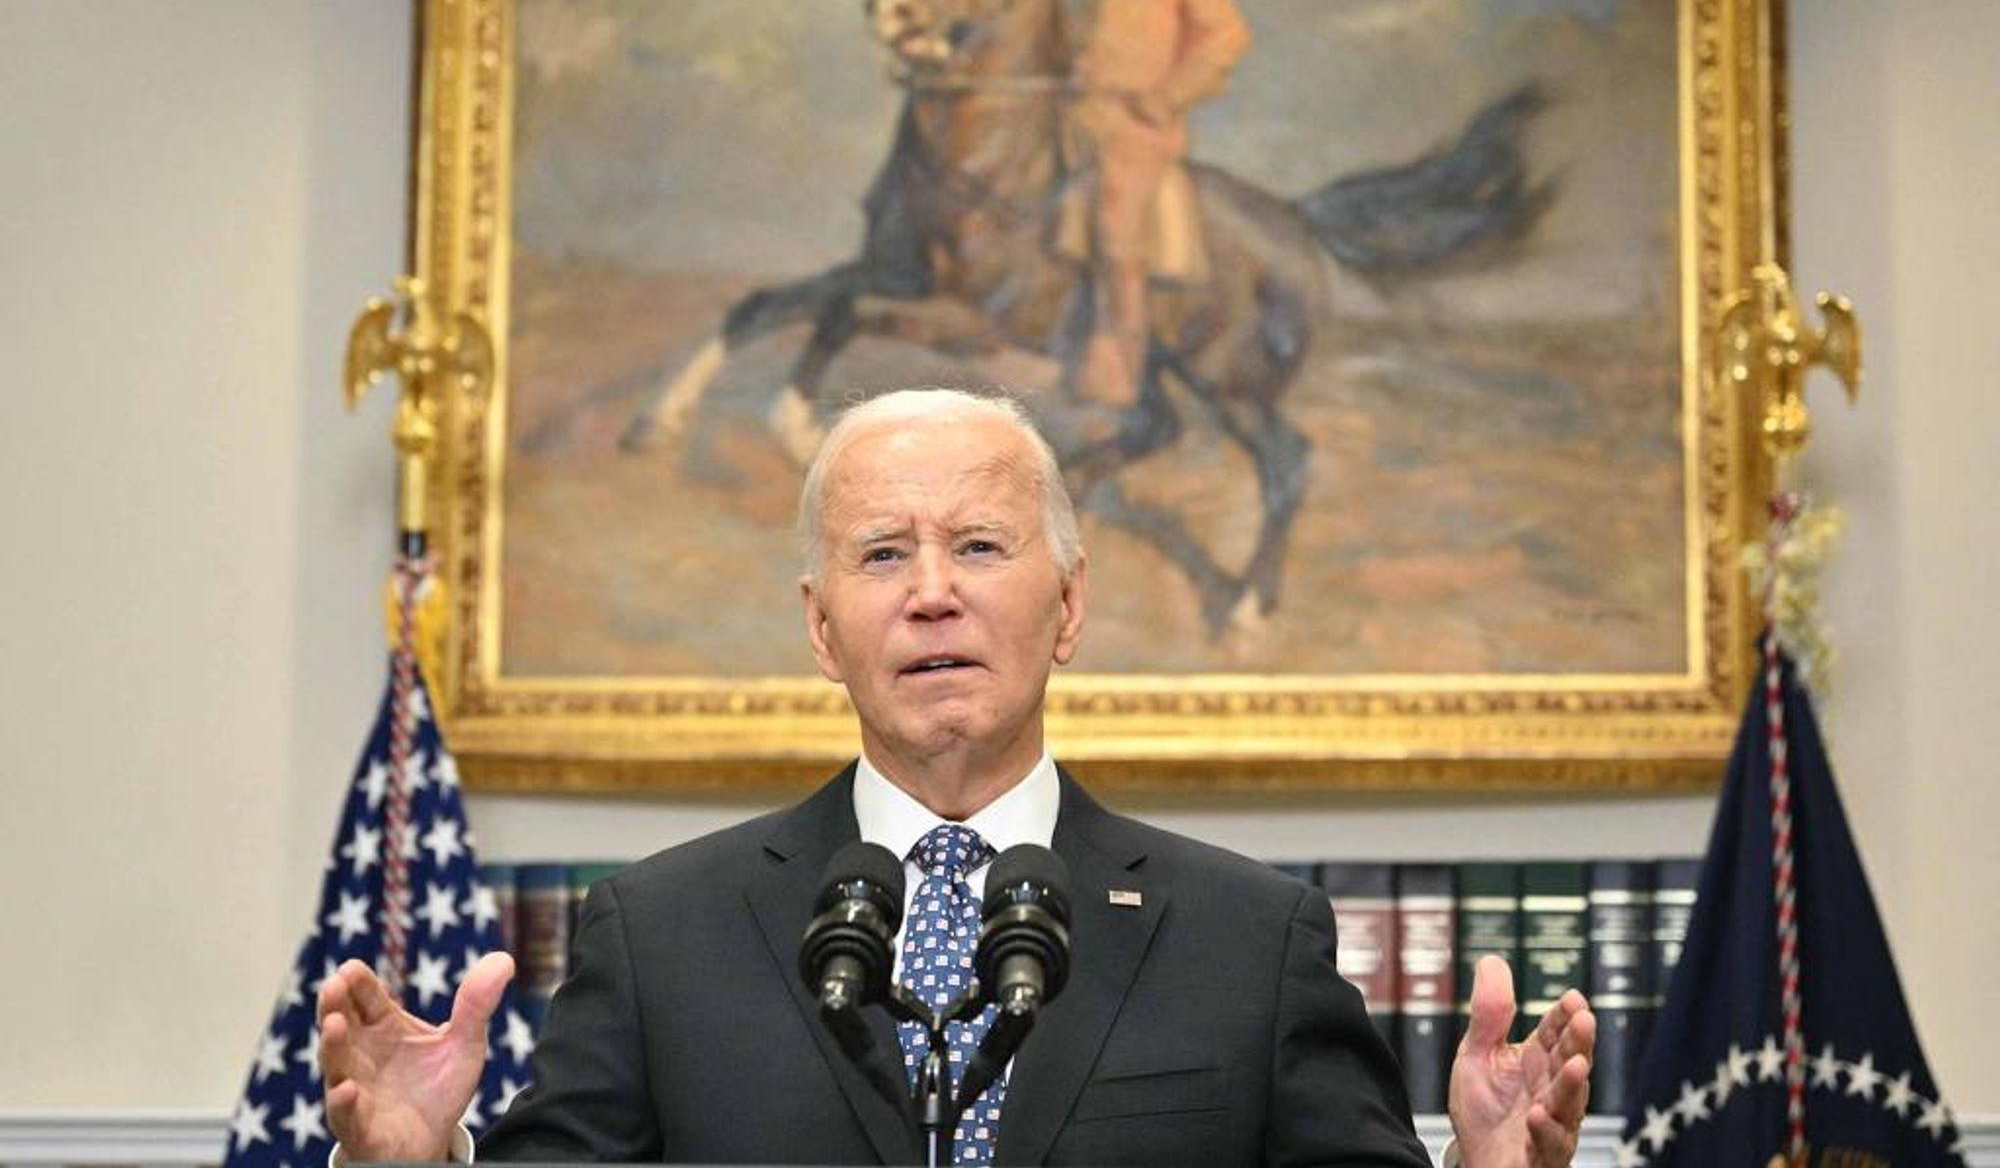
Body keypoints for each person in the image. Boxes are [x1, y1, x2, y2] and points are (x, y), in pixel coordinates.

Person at [319, 388, 1594, 1166]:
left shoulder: (1250, 938)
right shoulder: (659, 933)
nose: (932, 591)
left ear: (1067, 605)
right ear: (823, 629)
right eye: (882, 554)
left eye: (978, 544)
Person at [1064, 0, 1251, 409]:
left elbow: (1227, 38)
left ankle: (1120, 371)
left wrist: (1169, 96)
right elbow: (1072, 40)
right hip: (1077, 117)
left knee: (1118, 235)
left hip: (1138, 127)